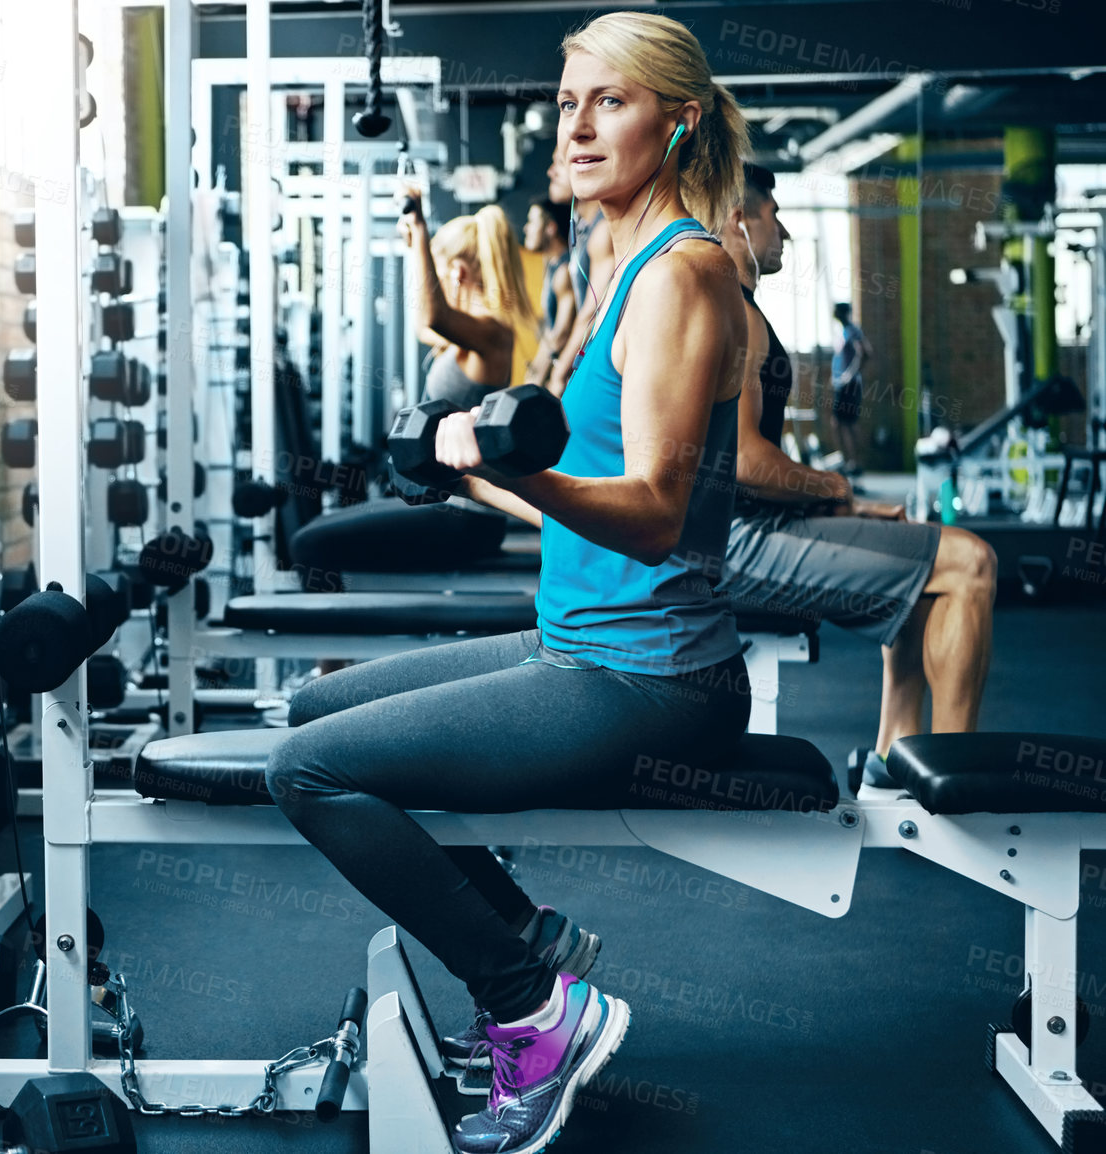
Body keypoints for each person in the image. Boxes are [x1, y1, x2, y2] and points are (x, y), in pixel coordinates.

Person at [267, 12, 752, 1152]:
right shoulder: (614, 266)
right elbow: (568, 485)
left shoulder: (681, 276)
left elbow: (655, 513)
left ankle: (531, 1003)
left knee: (308, 769)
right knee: (309, 709)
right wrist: (460, 476)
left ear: (678, 121)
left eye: (611, 102)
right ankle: (528, 933)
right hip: (577, 642)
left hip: (652, 675)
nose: (575, 126)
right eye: (568, 99)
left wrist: (517, 461)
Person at [718, 164, 997, 786]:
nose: (783, 231)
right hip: (738, 545)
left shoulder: (733, 307)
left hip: (746, 529)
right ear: (740, 218)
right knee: (969, 562)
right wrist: (836, 488)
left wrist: (836, 507)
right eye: (773, 214)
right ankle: (959, 778)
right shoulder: (730, 313)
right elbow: (743, 462)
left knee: (918, 549)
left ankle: (895, 755)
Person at [404, 201, 537, 411]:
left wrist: (420, 228)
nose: (436, 286)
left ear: (457, 272)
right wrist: (415, 249)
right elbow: (423, 328)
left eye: (438, 277)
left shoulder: (493, 332)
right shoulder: (468, 331)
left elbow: (434, 317)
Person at [541, 140, 615, 397]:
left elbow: (593, 311)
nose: (550, 172)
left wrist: (560, 374)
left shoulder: (603, 230)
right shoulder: (583, 231)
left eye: (559, 163)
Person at [521, 199, 575, 388]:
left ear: (550, 228)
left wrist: (537, 381)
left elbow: (561, 333)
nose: (526, 228)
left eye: (532, 222)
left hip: (566, 377)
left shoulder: (563, 271)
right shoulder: (550, 263)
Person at [831, 301, 871, 472]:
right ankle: (847, 460)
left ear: (844, 313)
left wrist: (850, 375)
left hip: (850, 386)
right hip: (841, 385)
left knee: (849, 423)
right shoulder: (843, 332)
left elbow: (866, 352)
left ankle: (855, 462)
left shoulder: (853, 331)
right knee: (838, 423)